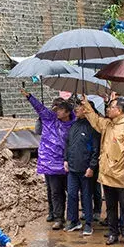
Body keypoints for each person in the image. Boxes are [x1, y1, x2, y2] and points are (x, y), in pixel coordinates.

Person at [83, 95, 124, 247]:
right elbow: (95, 120)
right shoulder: (108, 124)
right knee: (110, 207)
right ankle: (113, 233)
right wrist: (86, 105)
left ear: (120, 110)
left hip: (121, 175)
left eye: (111, 107)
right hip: (107, 174)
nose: (108, 109)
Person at [22, 89, 75, 229]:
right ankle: (58, 218)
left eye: (60, 109)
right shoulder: (49, 118)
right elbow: (39, 107)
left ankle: (72, 218)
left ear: (68, 112)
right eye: (56, 109)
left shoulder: (74, 124)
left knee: (72, 192)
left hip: (67, 162)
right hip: (51, 163)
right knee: (55, 192)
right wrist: (30, 96)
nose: (57, 111)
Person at [63, 99, 100, 236]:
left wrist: (92, 167)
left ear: (86, 109)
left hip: (86, 170)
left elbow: (96, 150)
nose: (76, 109)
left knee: (86, 197)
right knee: (72, 195)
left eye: (79, 106)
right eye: (76, 106)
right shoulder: (73, 126)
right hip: (72, 168)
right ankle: (73, 221)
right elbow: (68, 144)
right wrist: (66, 159)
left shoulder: (92, 127)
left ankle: (88, 223)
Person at [35, 97, 67, 222]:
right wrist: (41, 118)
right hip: (47, 160)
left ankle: (60, 214)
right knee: (50, 189)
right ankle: (52, 212)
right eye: (54, 107)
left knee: (59, 190)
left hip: (61, 160)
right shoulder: (47, 118)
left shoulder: (64, 122)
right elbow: (38, 131)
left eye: (58, 107)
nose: (56, 110)